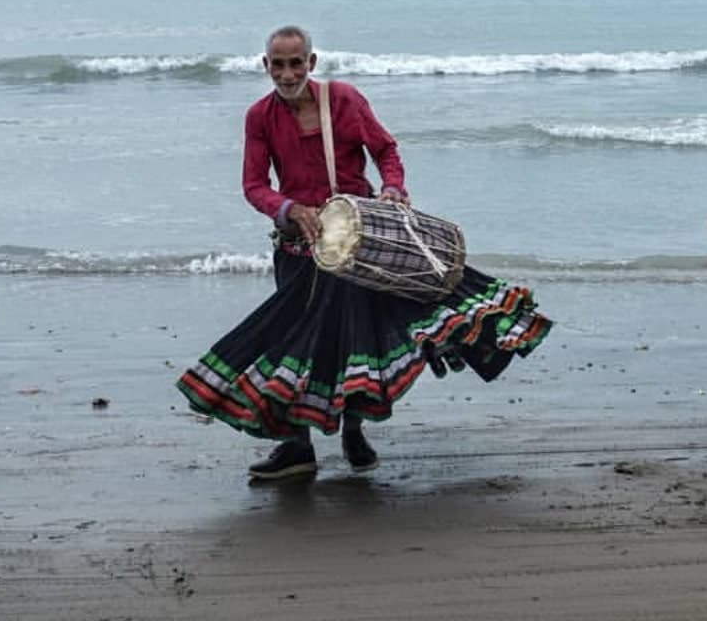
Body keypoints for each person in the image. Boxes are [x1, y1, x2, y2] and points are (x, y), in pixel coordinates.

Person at [178, 25, 552, 480]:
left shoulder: (344, 100)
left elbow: (385, 150)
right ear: (266, 66)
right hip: (298, 253)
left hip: (359, 249)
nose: (287, 72)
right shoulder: (259, 117)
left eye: (296, 62)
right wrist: (290, 209)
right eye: (278, 64)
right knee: (293, 349)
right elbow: (254, 186)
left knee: (355, 347)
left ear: (311, 64)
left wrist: (393, 189)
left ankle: (354, 433)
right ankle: (297, 448)